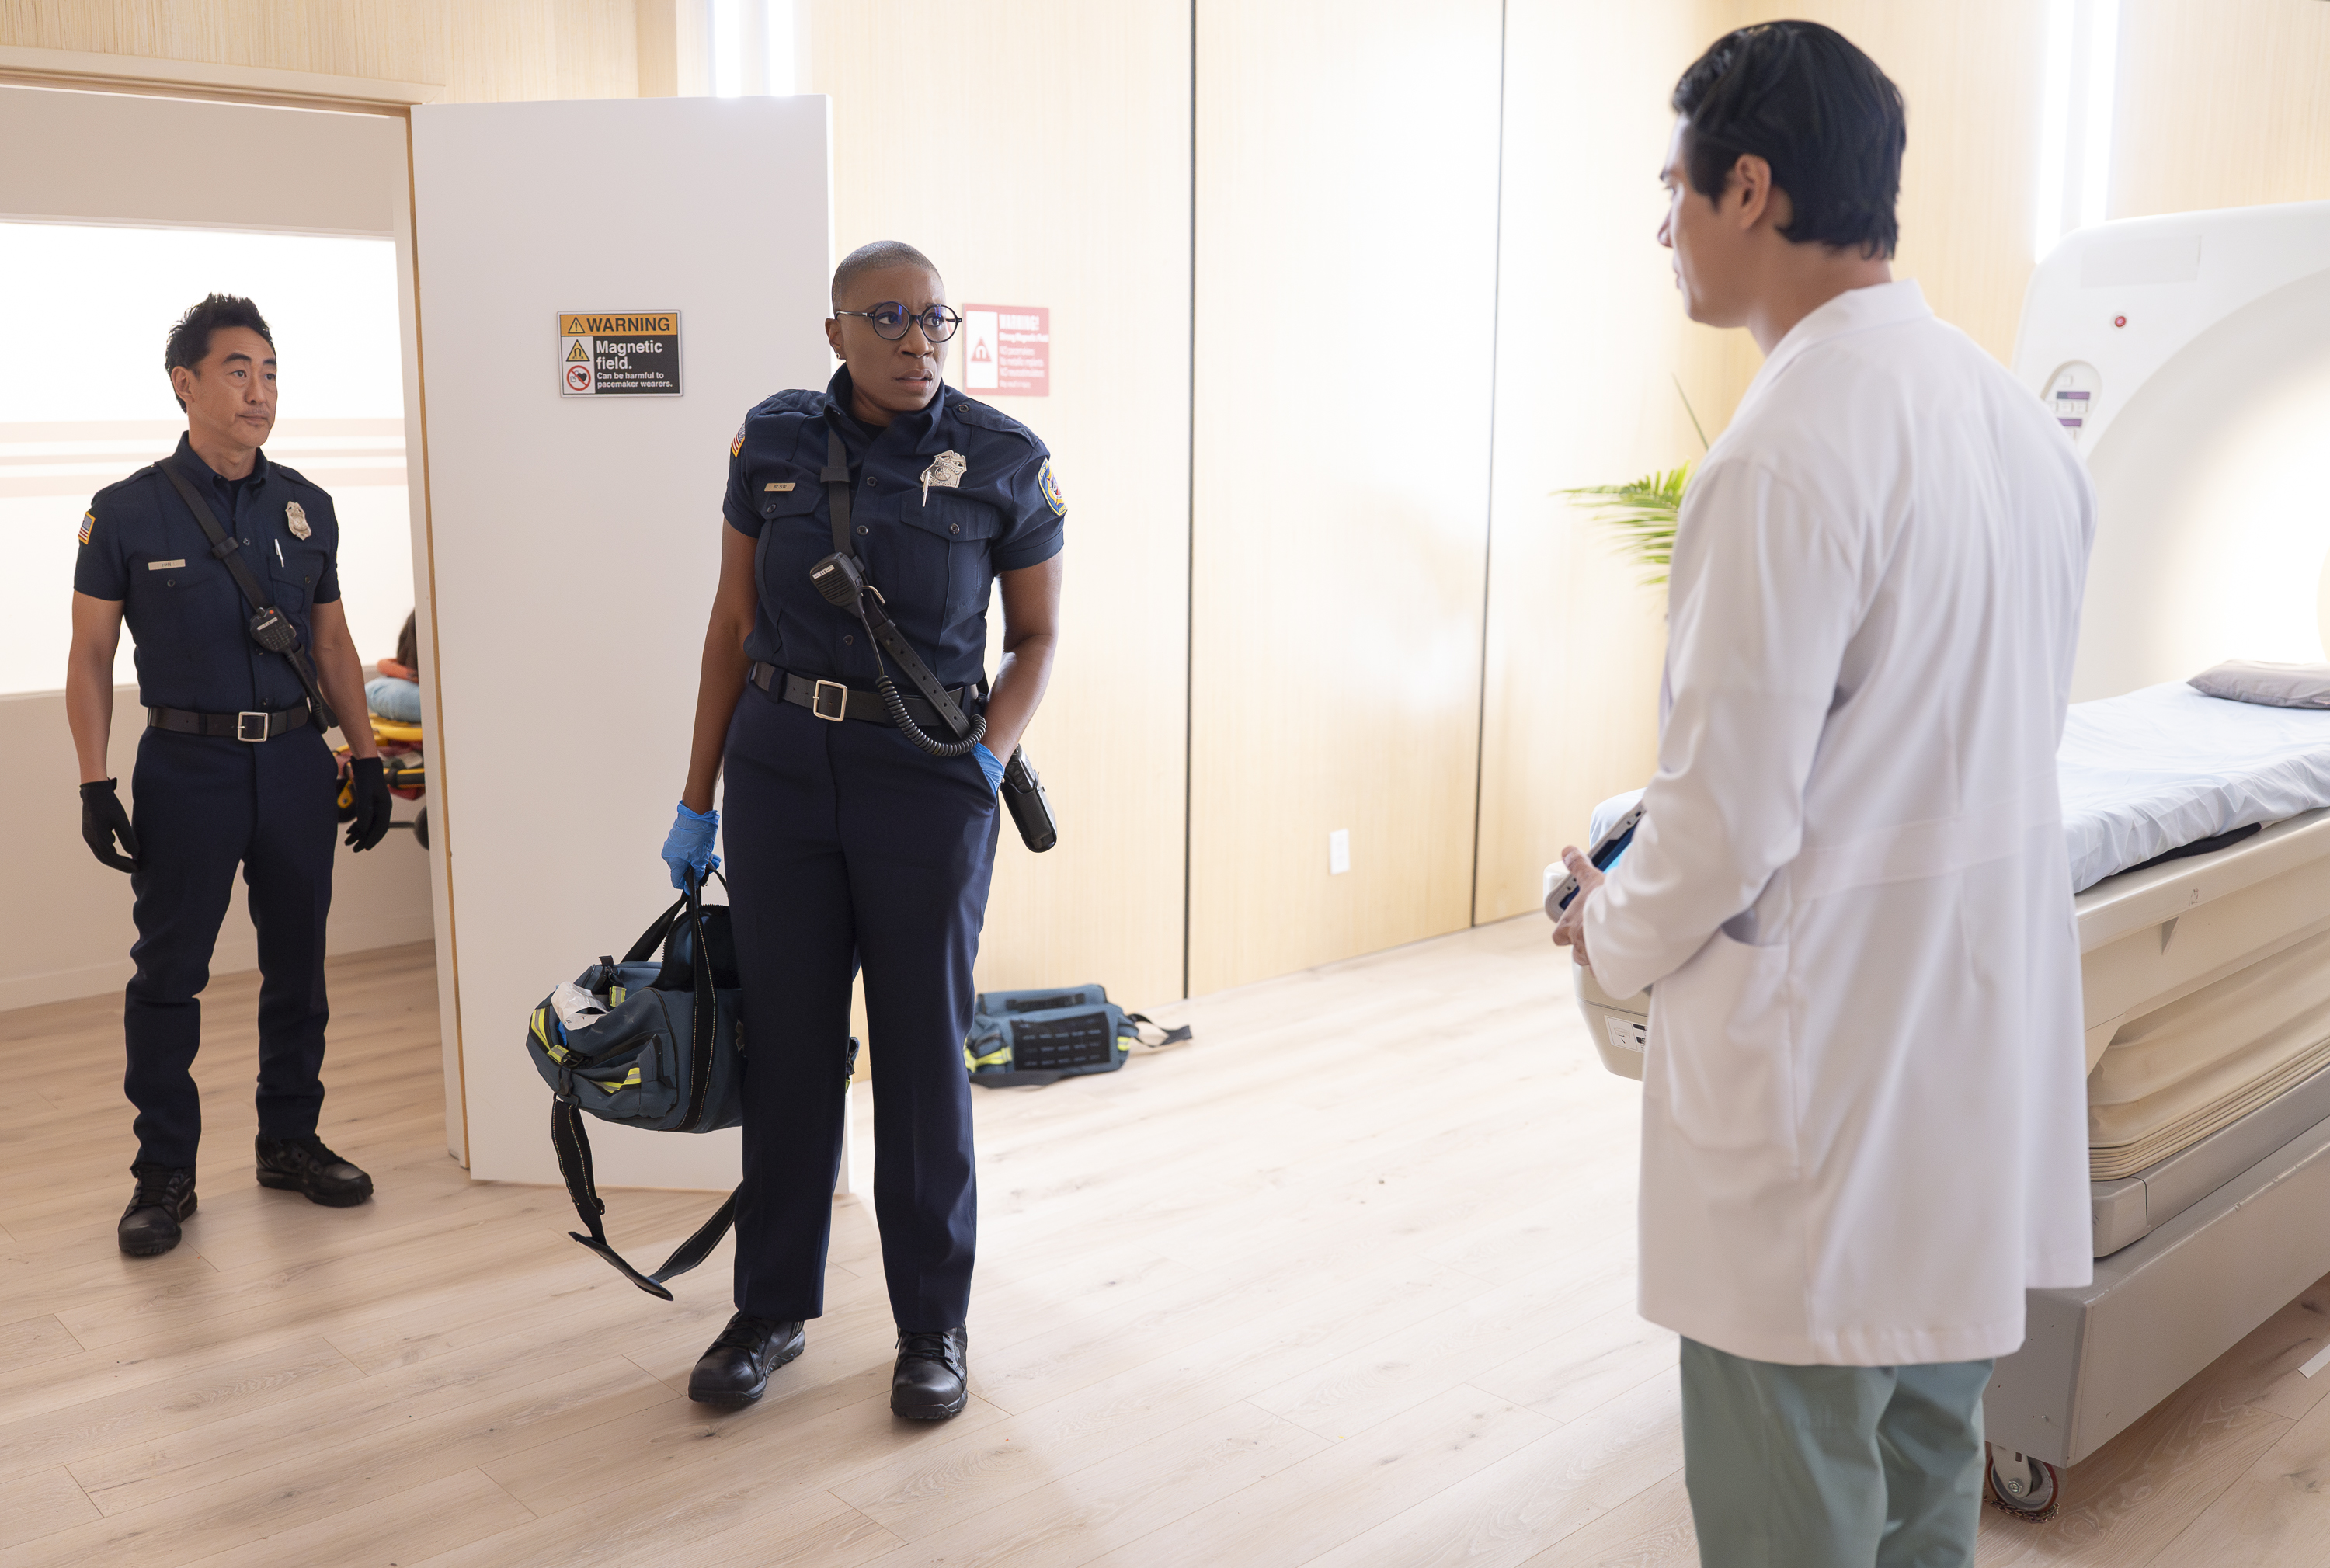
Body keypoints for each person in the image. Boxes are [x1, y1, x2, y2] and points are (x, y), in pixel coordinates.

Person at [1551, 24, 2093, 1566]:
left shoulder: (1782, 452)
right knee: (1926, 1475)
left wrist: (1605, 924)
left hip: (1822, 1089)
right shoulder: (2019, 427)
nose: (1663, 227)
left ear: (1750, 187)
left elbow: (1723, 822)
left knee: (1791, 1495)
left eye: (1674, 189)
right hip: (1967, 1064)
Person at [666, 240, 1063, 1418]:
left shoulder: (1005, 459)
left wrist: (988, 756)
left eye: (935, 318)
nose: (916, 339)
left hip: (926, 783)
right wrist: (697, 798)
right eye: (888, 317)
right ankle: (771, 1309)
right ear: (835, 330)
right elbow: (732, 621)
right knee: (787, 1047)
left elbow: (1037, 638)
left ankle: (933, 1323)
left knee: (923, 1053)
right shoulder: (772, 441)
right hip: (780, 774)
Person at [67, 294, 394, 1258]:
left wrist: (367, 755)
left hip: (293, 762)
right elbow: (90, 655)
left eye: (271, 372)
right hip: (187, 766)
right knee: (170, 975)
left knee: (298, 964)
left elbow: (331, 643)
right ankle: (163, 1173)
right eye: (239, 371)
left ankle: (289, 1141)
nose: (260, 391)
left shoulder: (308, 506)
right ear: (186, 384)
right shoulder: (125, 510)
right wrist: (93, 781)